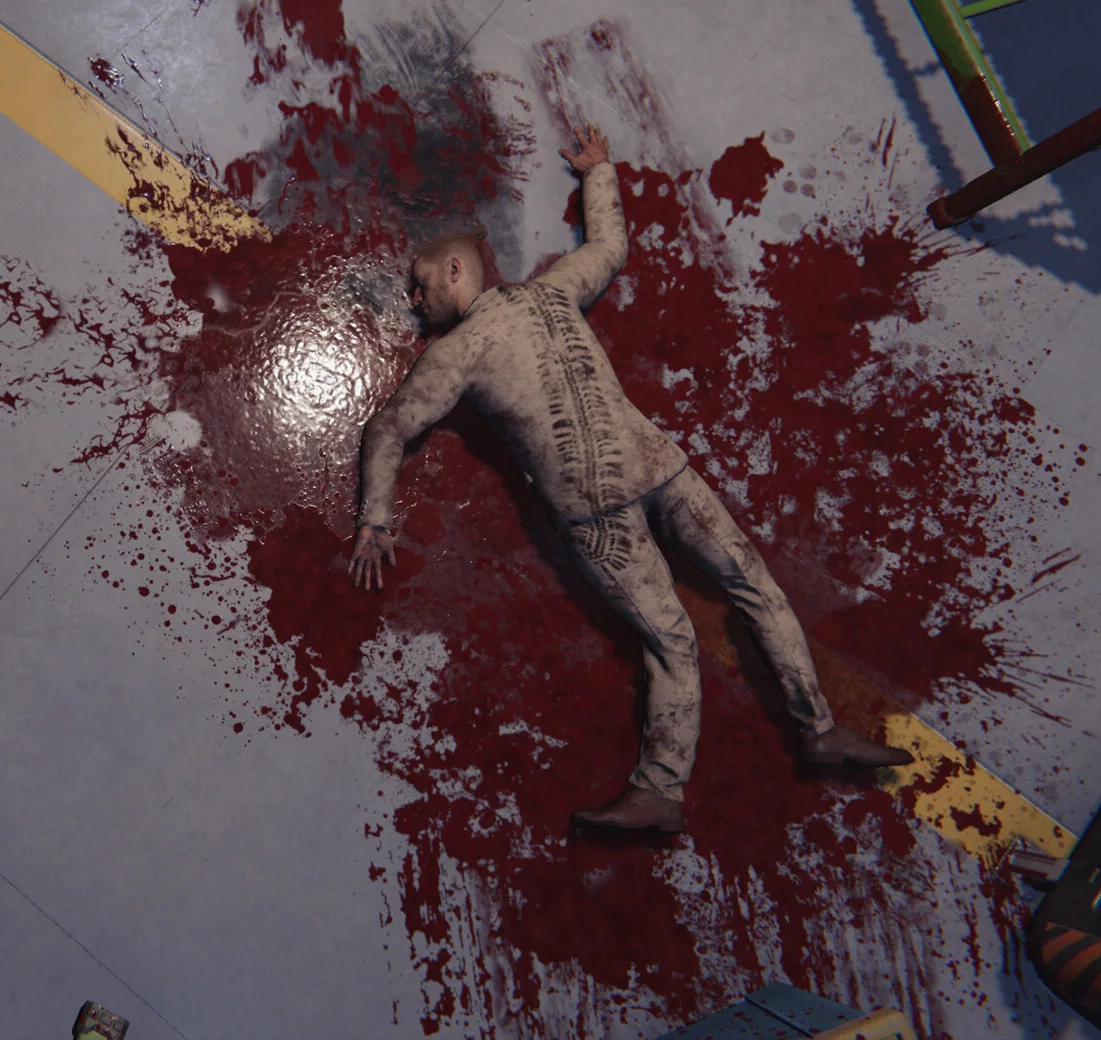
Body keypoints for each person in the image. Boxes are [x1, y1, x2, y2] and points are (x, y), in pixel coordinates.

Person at [348, 123, 913, 834]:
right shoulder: (545, 298)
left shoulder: (461, 350)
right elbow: (609, 248)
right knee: (743, 591)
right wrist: (600, 174)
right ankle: (792, 740)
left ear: (456, 270)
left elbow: (388, 428)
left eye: (421, 281)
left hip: (606, 504)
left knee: (683, 632)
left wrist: (374, 520)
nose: (413, 297)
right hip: (649, 472)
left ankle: (699, 777)